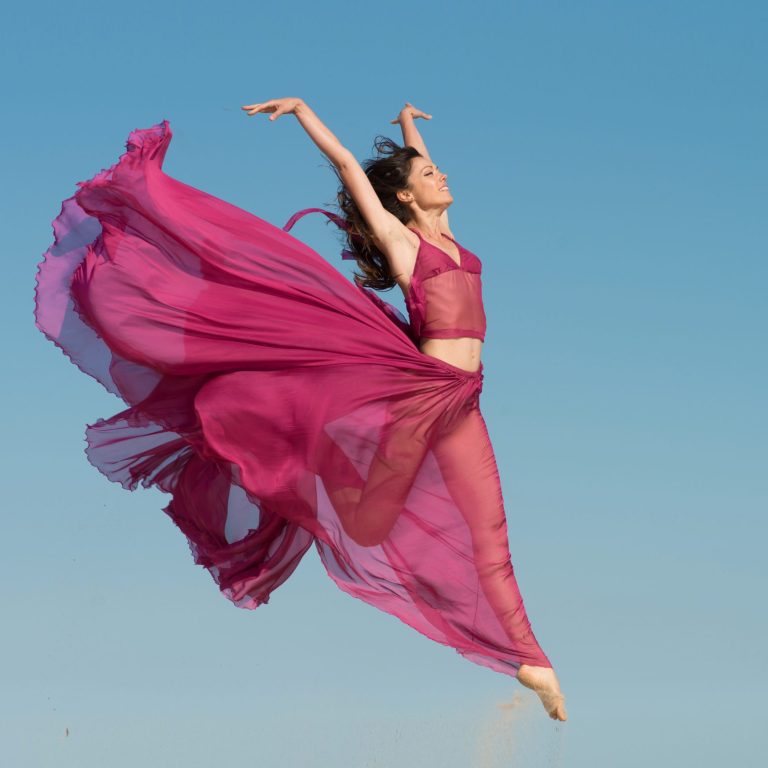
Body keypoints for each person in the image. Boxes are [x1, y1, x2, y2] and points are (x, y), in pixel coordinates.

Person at [34, 98, 567, 721]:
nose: (441, 178)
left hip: (463, 402)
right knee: (368, 526)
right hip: (418, 396)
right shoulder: (404, 242)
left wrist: (407, 127)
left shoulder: (450, 236)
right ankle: (293, 470)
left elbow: (422, 170)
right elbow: (347, 166)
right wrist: (306, 112)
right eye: (427, 176)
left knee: (488, 533)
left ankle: (529, 660)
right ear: (402, 199)